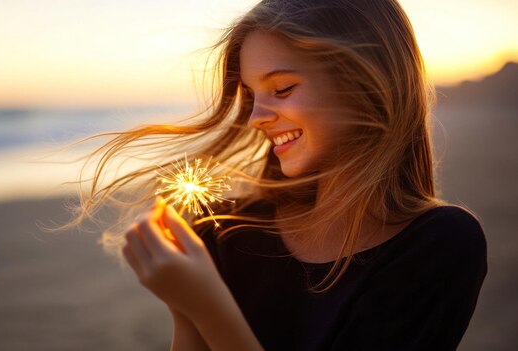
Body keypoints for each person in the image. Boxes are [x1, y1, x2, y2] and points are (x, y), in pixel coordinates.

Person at [62, 0, 488, 350]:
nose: (256, 118)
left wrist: (206, 302)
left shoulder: (440, 244)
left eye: (281, 89)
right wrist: (183, 307)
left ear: (368, 83)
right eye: (250, 95)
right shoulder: (226, 230)